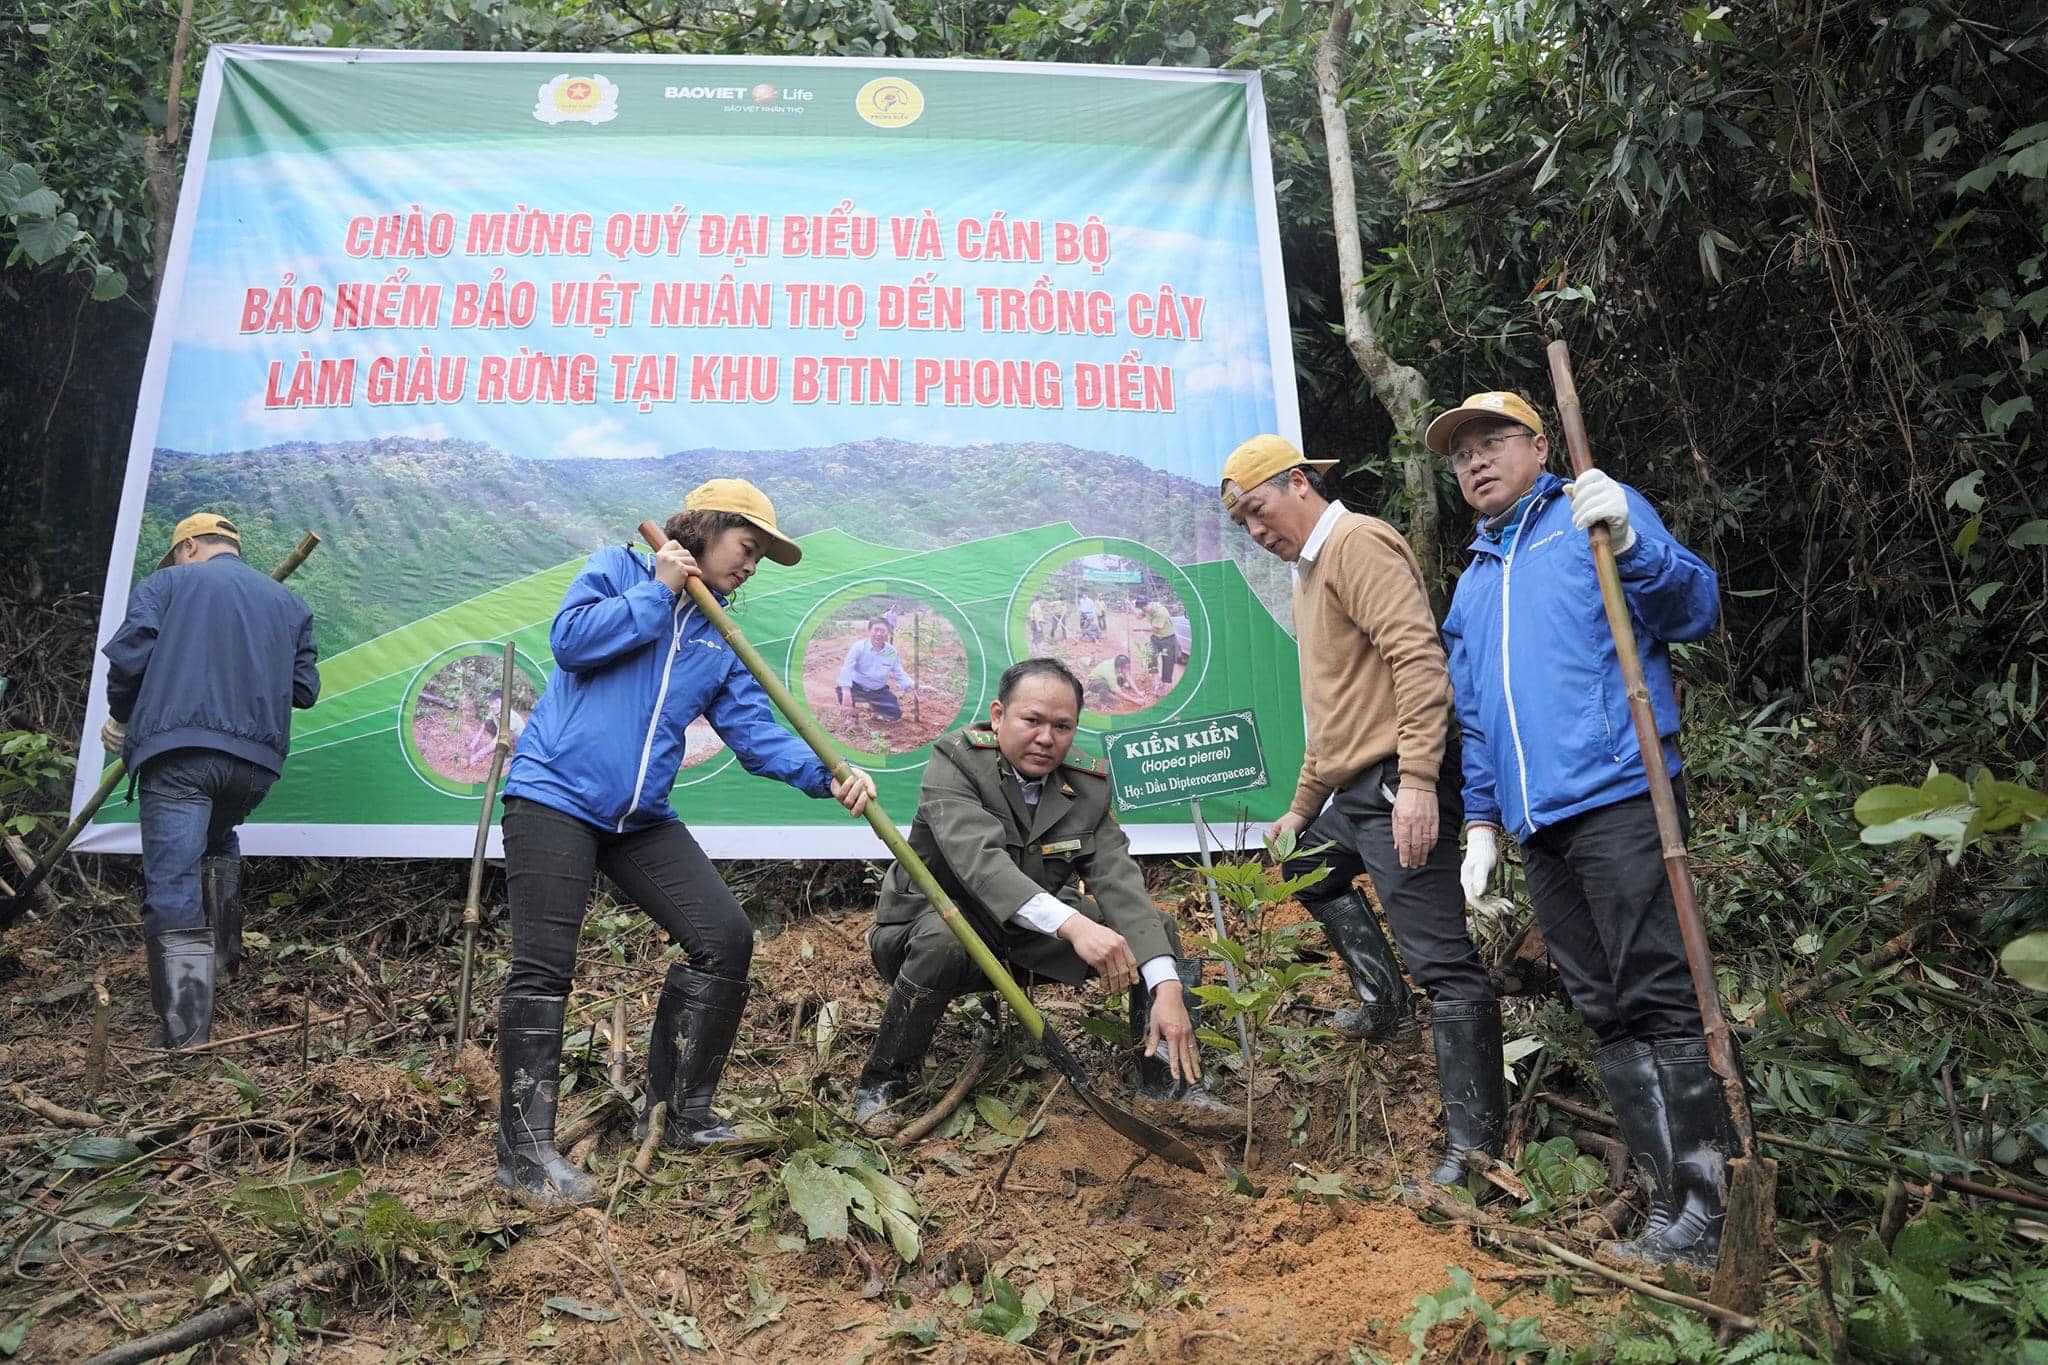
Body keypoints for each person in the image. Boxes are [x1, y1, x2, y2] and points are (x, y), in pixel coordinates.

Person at [493, 479, 876, 1210]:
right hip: (552, 797)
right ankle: (525, 1155)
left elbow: (757, 735)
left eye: (760, 555)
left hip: (637, 818)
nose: (752, 565)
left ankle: (679, 1115)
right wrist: (659, 590)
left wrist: (827, 774)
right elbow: (571, 644)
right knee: (544, 968)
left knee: (725, 936)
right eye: (748, 546)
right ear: (705, 528)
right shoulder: (618, 570)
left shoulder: (718, 633)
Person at [1430, 391, 1729, 1269]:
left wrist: (1635, 547)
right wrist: (1481, 820)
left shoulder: (1594, 512)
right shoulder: (1474, 583)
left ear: (1537, 444)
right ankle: (1669, 1204)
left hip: (1619, 793)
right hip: (1538, 825)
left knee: (1657, 989)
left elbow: (1695, 609)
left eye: (1492, 442)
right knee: (1600, 1001)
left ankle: (1708, 1212)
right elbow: (1477, 719)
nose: (1476, 462)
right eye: (1460, 455)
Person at [1219, 434, 1502, 1190]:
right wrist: (1299, 808)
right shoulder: (1309, 574)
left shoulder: (1358, 544)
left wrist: (1416, 780)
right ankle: (1386, 1005)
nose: (1256, 530)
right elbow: (1333, 711)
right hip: (1354, 790)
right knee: (1304, 869)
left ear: (1300, 482)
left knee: (1445, 966)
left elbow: (1417, 661)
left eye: (1258, 509)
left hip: (1393, 785)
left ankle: (1475, 1154)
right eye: (1242, 522)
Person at [851, 659, 1238, 1136]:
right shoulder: (956, 761)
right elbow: (983, 866)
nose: (1046, 738)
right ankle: (883, 1083)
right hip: (929, 932)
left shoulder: (1087, 787)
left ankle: (1169, 1083)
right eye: (1031, 720)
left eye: (1062, 726)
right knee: (946, 940)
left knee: (1156, 932)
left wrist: (1167, 983)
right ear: (998, 716)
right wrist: (1075, 927)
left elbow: (1117, 881)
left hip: (1023, 937)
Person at [100, 512, 320, 1048]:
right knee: (216, 840)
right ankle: (221, 965)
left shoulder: (168, 584)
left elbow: (130, 660)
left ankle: (186, 1032)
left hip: (180, 754)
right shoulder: (288, 604)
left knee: (173, 879)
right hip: (254, 766)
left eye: (177, 551)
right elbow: (304, 689)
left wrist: (120, 719)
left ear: (190, 546)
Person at [835, 618, 917, 721]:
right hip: (858, 688)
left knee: (895, 714)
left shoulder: (890, 652)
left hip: (878, 690)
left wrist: (911, 685)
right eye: (876, 630)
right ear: (869, 631)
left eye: (883, 631)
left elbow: (898, 672)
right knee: (842, 690)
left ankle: (875, 709)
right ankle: (851, 716)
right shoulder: (858, 647)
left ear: (888, 633)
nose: (879, 634)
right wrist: (847, 694)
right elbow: (847, 669)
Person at [1135, 594, 1180, 693]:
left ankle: (1163, 685)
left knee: (1168, 663)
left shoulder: (1160, 612)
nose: (1144, 609)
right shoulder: (1145, 609)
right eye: (1142, 608)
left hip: (1168, 639)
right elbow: (1138, 617)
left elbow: (1154, 628)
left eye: (1144, 607)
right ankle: (1155, 681)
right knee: (1150, 655)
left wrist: (1139, 629)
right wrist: (1130, 606)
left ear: (1149, 603)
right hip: (1155, 638)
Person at [1083, 654, 1148, 711]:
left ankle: (1109, 693)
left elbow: (1128, 676)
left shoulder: (1117, 662)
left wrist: (1138, 692)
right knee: (1103, 685)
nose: (1127, 669)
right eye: (1126, 668)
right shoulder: (1110, 672)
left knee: (1120, 680)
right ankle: (1103, 704)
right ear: (1119, 668)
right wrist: (1136, 701)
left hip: (1105, 679)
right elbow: (1120, 693)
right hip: (1092, 682)